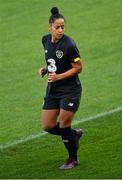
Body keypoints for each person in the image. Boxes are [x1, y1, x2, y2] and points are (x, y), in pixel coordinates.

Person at [38, 7, 83, 170]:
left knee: (64, 125)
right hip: (53, 90)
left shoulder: (69, 45)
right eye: (57, 27)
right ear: (50, 26)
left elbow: (78, 67)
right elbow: (52, 59)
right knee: (48, 126)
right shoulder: (45, 40)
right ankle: (73, 135)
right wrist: (46, 69)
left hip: (70, 90)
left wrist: (58, 76)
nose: (61, 30)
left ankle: (73, 159)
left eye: (63, 27)